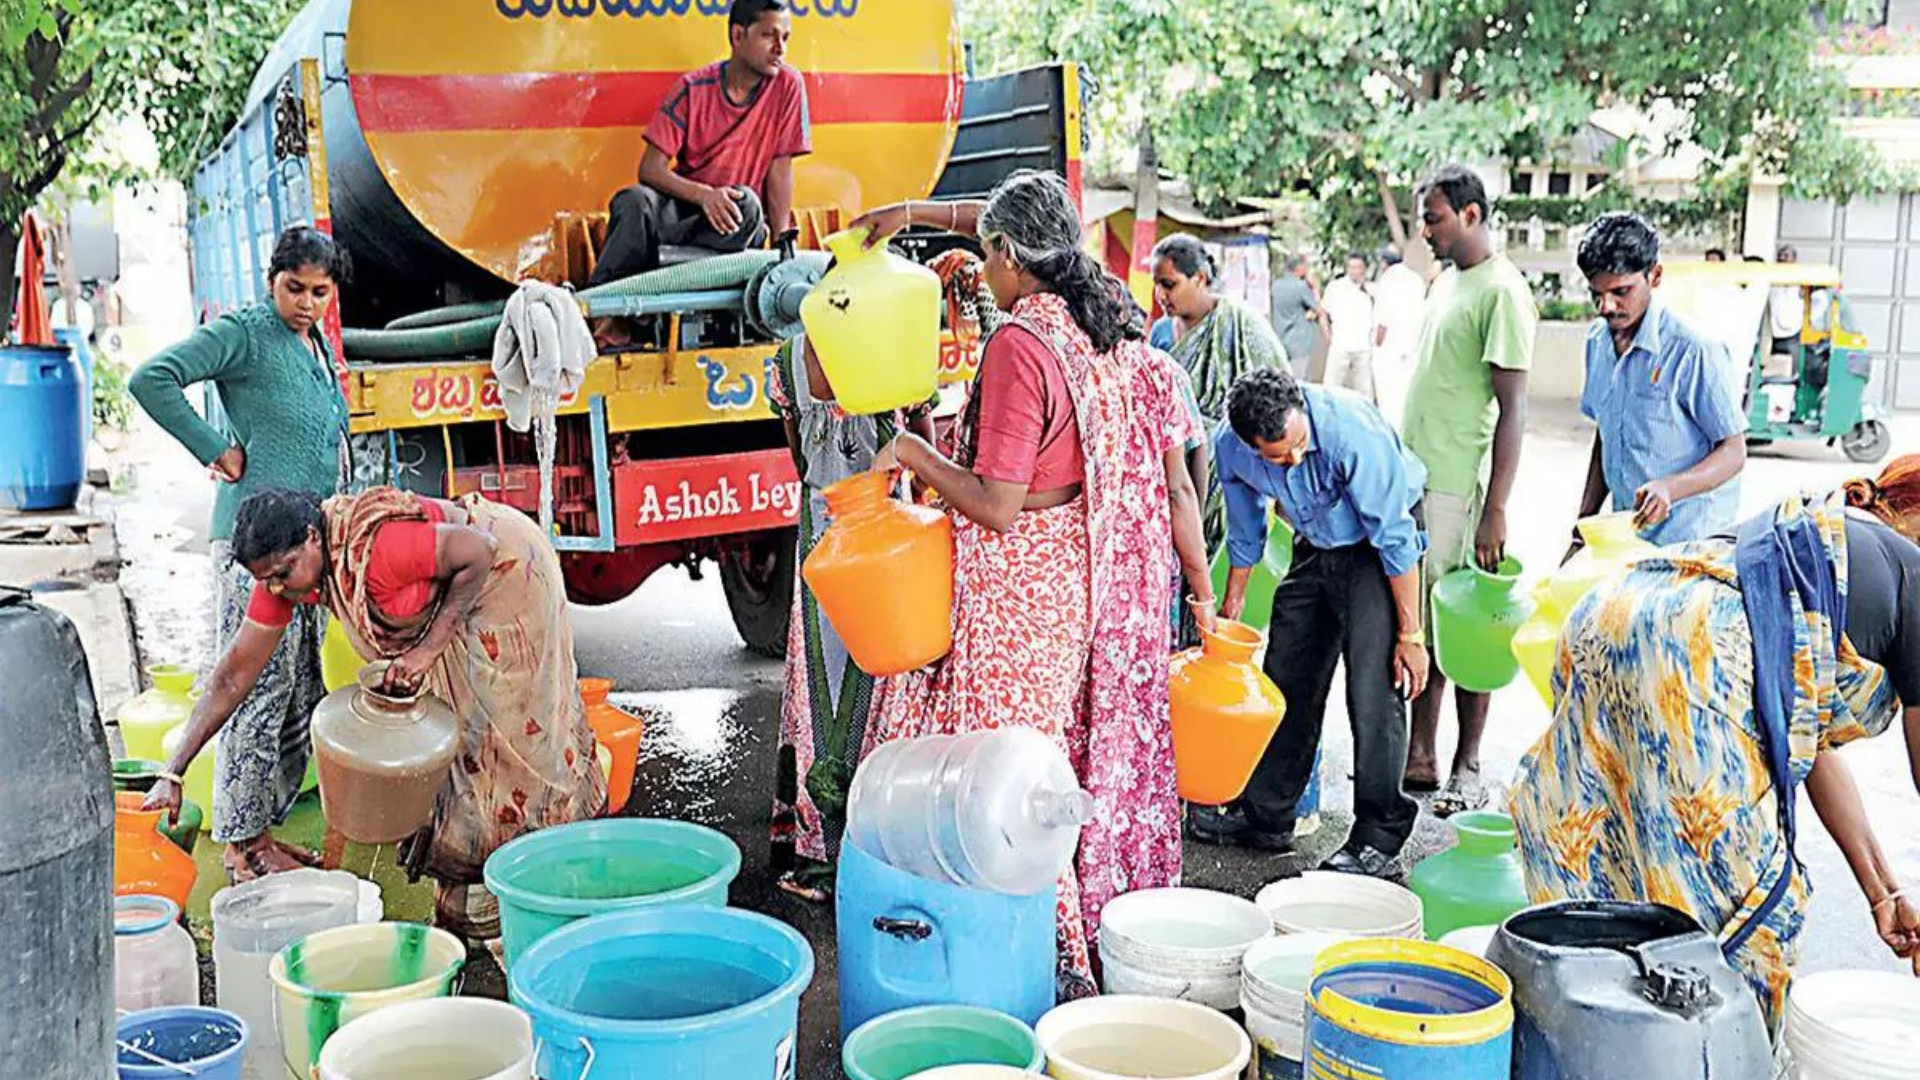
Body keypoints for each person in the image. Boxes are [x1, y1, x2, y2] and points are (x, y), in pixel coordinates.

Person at [849, 170, 1212, 999]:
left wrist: (911, 454)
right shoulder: (1100, 319)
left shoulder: (1021, 343)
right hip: (1076, 581)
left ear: (1012, 257)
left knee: (1000, 784)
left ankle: (1039, 969)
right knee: (1044, 766)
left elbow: (999, 504)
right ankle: (1051, 954)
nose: (983, 269)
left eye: (987, 256)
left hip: (1019, 593)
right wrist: (910, 211)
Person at [1510, 464, 1920, 1027]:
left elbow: (1812, 749)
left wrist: (1883, 891)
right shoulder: (1910, 573)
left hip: (1610, 613)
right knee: (1742, 933)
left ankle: (1583, 1047)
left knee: (1607, 878)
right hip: (1695, 655)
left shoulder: (1809, 539)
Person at [144, 487, 606, 940]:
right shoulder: (287, 576)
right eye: (267, 581)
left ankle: (545, 881)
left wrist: (425, 653)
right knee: (459, 748)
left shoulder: (376, 552)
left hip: (505, 574)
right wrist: (174, 771)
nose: (278, 589)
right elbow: (231, 677)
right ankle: (472, 893)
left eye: (284, 573)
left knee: (502, 738)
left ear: (311, 536)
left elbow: (478, 552)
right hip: (461, 576)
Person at [129, 226, 352, 883]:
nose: (308, 302)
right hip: (256, 550)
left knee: (298, 692)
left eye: (320, 291)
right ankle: (242, 845)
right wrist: (213, 447)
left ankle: (263, 832)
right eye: (294, 289)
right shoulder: (246, 332)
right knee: (252, 686)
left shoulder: (310, 342)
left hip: (304, 550)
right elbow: (153, 378)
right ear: (270, 281)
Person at [1190, 367, 1429, 877]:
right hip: (1317, 539)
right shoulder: (1230, 449)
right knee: (1286, 672)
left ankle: (1379, 836)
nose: (1295, 459)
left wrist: (1411, 635)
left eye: (1300, 445)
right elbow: (1246, 525)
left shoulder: (1350, 432)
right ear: (1251, 446)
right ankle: (1266, 814)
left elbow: (1395, 537)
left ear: (1303, 411)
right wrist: (1232, 604)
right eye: (1278, 456)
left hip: (1377, 549)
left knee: (1373, 684)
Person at [766, 328, 934, 903]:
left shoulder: (788, 362)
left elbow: (795, 456)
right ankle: (887, 842)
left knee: (822, 685)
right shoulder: (897, 343)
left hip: (822, 535)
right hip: (893, 537)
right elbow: (924, 445)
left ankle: (821, 851)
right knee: (890, 680)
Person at [1400, 163, 1533, 815]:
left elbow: (1514, 408)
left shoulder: (1501, 290)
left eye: (1436, 218)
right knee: (1423, 622)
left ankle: (1468, 762)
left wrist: (1496, 510)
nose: (1426, 231)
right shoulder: (1447, 281)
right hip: (1420, 477)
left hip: (1463, 484)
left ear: (1473, 215)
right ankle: (1420, 749)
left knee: (1466, 627)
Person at [586, 0, 809, 291]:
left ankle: (653, 263)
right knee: (633, 200)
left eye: (785, 38)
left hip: (733, 224)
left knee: (746, 204)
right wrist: (705, 196)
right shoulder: (692, 88)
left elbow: (780, 171)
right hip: (685, 214)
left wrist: (782, 251)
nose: (780, 49)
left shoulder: (788, 85)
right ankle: (600, 312)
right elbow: (650, 168)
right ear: (738, 36)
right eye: (769, 36)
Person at [1572, 212, 1747, 547]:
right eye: (1597, 294)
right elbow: (1606, 433)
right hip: (1628, 536)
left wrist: (1670, 488)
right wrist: (1586, 520)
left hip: (1691, 541)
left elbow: (1734, 452)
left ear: (1655, 276)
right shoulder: (1597, 341)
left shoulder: (1694, 350)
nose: (1606, 306)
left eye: (1621, 291)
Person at [1148, 233, 1285, 555]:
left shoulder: (1241, 324)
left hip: (1230, 475)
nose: (1160, 295)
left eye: (1169, 284)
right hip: (1173, 474)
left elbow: (1281, 396)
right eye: (1156, 284)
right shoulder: (1161, 333)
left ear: (1200, 278)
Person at [1372, 244, 1428, 428]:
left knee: (1389, 397)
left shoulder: (1388, 280)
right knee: (1406, 393)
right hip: (1412, 346)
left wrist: (1377, 344)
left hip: (1390, 348)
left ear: (1384, 263)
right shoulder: (1416, 279)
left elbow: (1383, 320)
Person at [1322, 252, 1378, 400]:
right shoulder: (1335, 287)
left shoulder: (1372, 289)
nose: (1354, 271)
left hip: (1363, 348)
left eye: (1358, 267)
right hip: (1340, 347)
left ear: (1364, 268)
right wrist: (1329, 338)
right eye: (1351, 267)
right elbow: (1323, 315)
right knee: (1331, 389)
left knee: (1365, 393)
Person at [1269, 255, 1324, 379]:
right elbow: (1319, 309)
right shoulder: (1300, 287)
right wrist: (1315, 288)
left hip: (1282, 338)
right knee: (1301, 381)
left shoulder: (1276, 286)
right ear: (1299, 268)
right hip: (1300, 342)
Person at [1769, 244, 1803, 358]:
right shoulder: (1771, 279)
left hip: (1792, 334)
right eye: (1780, 256)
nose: (1782, 259)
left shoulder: (1801, 279)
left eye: (1786, 256)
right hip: (1772, 333)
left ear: (1794, 259)